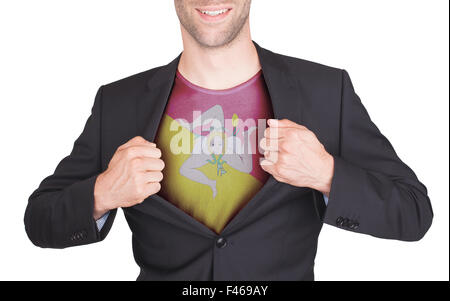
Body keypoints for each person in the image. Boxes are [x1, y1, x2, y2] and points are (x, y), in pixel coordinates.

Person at [24, 0, 433, 280]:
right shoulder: (118, 103)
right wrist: (102, 193)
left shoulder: (326, 92)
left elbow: (414, 212)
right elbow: (40, 220)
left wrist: (327, 174)